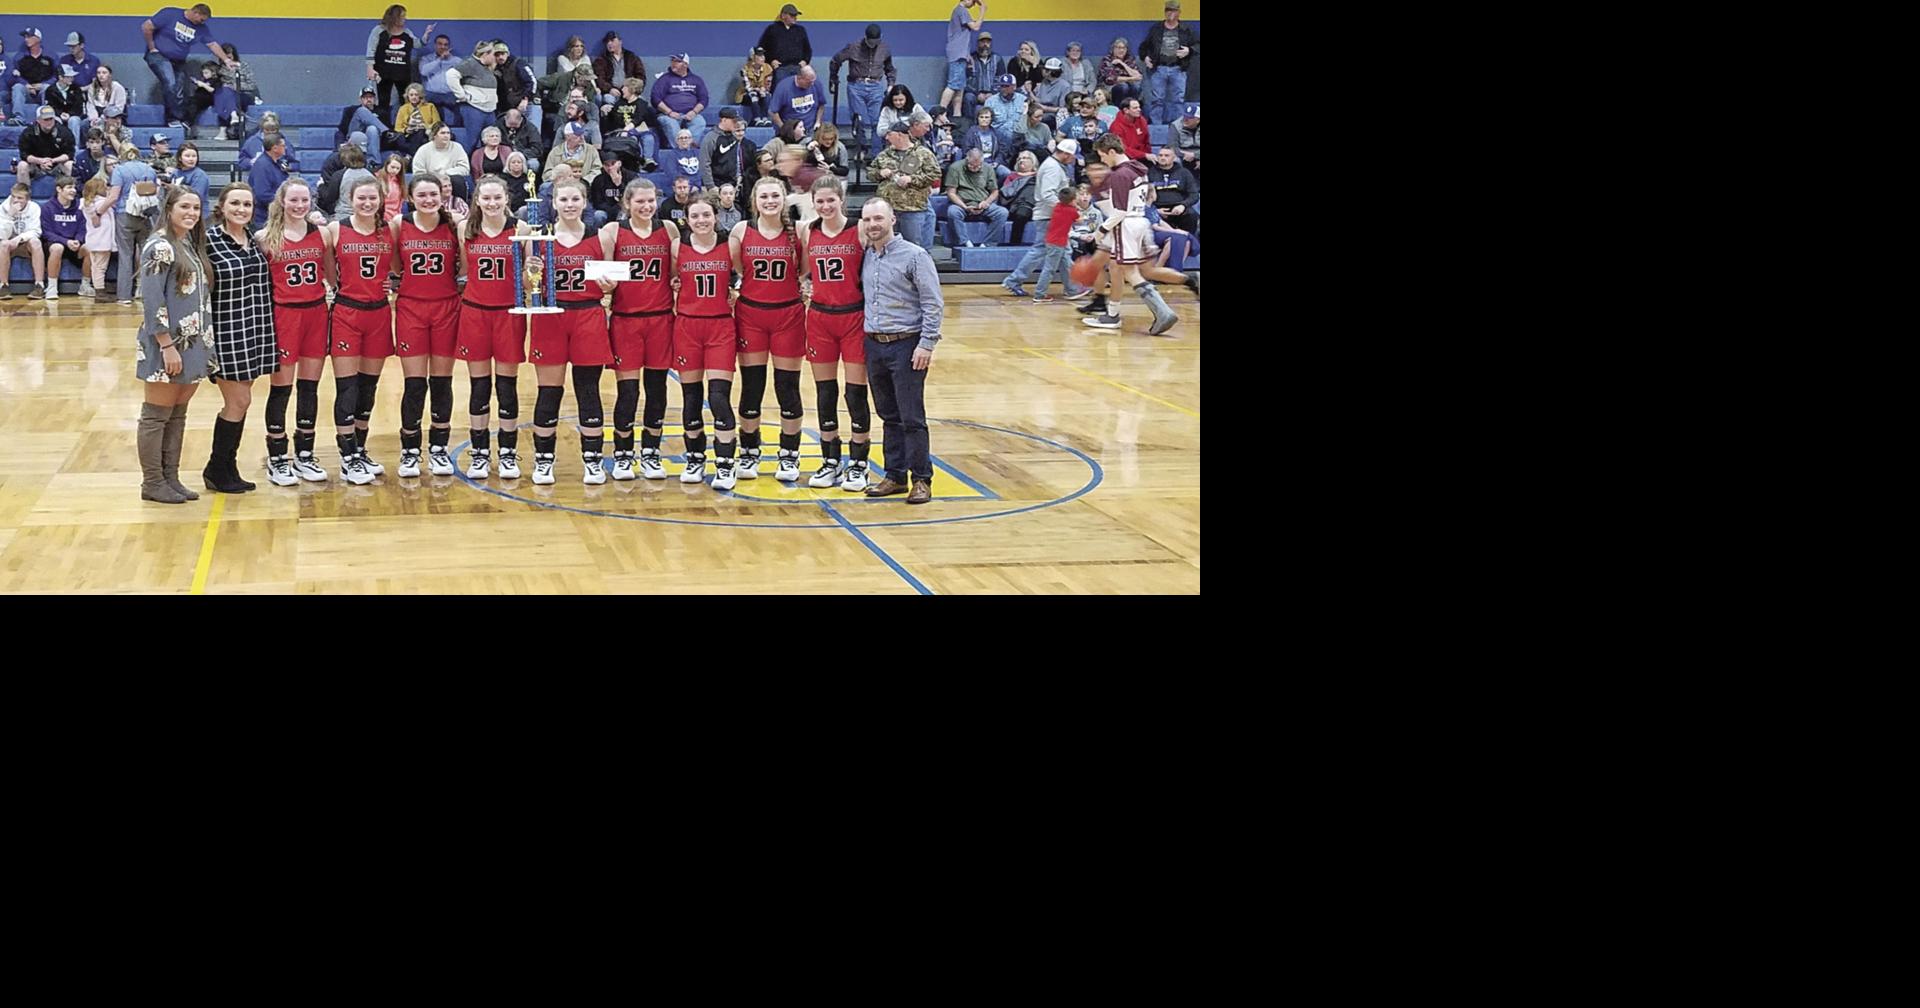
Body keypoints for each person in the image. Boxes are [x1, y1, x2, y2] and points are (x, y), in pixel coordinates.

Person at [525, 177, 614, 485]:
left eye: (575, 199)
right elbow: (528, 285)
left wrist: (609, 285)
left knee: (588, 390)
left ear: (585, 202)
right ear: (554, 203)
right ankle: (543, 461)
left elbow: (611, 281)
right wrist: (531, 272)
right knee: (549, 391)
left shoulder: (600, 237)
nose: (570, 205)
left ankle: (593, 461)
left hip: (588, 315)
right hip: (551, 316)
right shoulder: (539, 238)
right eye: (563, 200)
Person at [856, 198, 941, 504]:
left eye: (878, 218)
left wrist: (926, 343)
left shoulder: (915, 256)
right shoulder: (867, 255)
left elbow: (933, 302)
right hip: (874, 344)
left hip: (906, 344)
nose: (873, 224)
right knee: (888, 415)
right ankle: (895, 475)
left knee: (911, 416)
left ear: (893, 219)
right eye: (867, 219)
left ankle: (922, 478)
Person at [596, 176, 678, 480]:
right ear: (627, 203)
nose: (646, 206)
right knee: (628, 392)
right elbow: (605, 276)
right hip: (626, 320)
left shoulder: (668, 229)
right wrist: (605, 284)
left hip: (660, 320)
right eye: (640, 201)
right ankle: (623, 454)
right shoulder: (612, 231)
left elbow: (674, 274)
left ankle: (651, 453)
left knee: (657, 390)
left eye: (651, 200)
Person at [134, 185, 212, 503]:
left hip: (191, 343)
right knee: (156, 415)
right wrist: (166, 345)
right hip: (167, 344)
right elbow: (152, 299)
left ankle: (171, 478)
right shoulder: (160, 246)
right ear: (169, 209)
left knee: (177, 414)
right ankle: (152, 482)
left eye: (196, 208)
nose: (191, 213)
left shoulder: (187, 243)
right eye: (184, 207)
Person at [253, 176, 333, 485]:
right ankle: (277, 457)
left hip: (316, 313)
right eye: (294, 200)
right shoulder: (264, 237)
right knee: (281, 388)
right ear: (282, 202)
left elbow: (331, 275)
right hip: (283, 315)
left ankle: (305, 454)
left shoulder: (322, 233)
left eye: (304, 200)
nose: (299, 205)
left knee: (310, 387)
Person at [728, 176, 807, 482]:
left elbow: (804, 270)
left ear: (784, 199)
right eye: (764, 197)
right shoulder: (741, 231)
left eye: (775, 195)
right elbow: (739, 270)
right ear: (755, 201)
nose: (770, 201)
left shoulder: (799, 231)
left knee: (787, 386)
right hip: (751, 315)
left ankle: (789, 454)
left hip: (788, 315)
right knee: (752, 386)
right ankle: (749, 451)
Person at [199, 181, 276, 492]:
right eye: (235, 203)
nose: (241, 209)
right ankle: (217, 466)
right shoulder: (208, 241)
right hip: (226, 332)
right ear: (222, 206)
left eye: (247, 204)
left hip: (255, 330)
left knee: (242, 402)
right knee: (239, 400)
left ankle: (226, 467)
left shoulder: (254, 240)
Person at [385, 173, 462, 478]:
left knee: (442, 382)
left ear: (442, 196)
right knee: (415, 383)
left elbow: (464, 263)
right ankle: (410, 450)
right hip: (411, 308)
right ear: (411, 197)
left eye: (434, 195)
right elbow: (394, 265)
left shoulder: (454, 224)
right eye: (422, 195)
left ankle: (439, 449)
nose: (429, 200)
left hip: (446, 308)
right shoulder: (398, 224)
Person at [798, 176, 870, 490]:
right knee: (825, 392)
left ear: (842, 199)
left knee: (855, 392)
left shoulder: (860, 229)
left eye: (831, 200)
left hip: (854, 316)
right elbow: (803, 271)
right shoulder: (808, 231)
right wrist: (804, 286)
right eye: (820, 201)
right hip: (820, 318)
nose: (826, 206)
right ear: (813, 202)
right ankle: (830, 460)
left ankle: (859, 463)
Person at [453, 174, 527, 479]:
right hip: (475, 312)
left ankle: (508, 453)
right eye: (486, 198)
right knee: (479, 385)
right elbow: (463, 269)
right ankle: (480, 453)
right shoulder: (465, 228)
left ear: (507, 198)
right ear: (477, 200)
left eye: (498, 197)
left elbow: (528, 279)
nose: (492, 203)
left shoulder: (521, 229)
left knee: (507, 386)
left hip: (509, 313)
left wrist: (533, 271)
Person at [1080, 133, 1188, 335]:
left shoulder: (1120, 175)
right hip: (1140, 221)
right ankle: (1112, 314)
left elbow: (1119, 211)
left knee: (1131, 272)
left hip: (1126, 224)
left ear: (1112, 152)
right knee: (1118, 268)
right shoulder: (1138, 168)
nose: (1102, 160)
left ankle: (1162, 312)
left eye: (1103, 155)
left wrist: (1100, 231)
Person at [667, 189, 738, 487]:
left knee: (719, 397)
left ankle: (725, 464)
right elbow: (672, 278)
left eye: (706, 214)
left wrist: (736, 290)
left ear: (716, 216)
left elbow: (743, 275)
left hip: (720, 327)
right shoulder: (677, 246)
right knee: (691, 397)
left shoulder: (730, 244)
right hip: (687, 326)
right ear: (686, 219)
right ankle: (695, 458)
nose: (701, 220)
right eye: (695, 215)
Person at [323, 175, 390, 483]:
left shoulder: (389, 230)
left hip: (379, 313)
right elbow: (328, 271)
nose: (367, 203)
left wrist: (391, 283)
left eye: (372, 198)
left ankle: (360, 449)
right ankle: (347, 456)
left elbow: (397, 267)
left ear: (381, 200)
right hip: (347, 312)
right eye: (361, 197)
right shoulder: (335, 229)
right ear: (350, 199)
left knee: (368, 387)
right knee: (347, 387)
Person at [1000, 137, 1078, 297]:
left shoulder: (1054, 165)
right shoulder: (1052, 168)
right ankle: (1014, 281)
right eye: (1072, 156)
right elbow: (1047, 194)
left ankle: (1072, 288)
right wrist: (1065, 211)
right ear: (1065, 154)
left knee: (1063, 252)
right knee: (1042, 250)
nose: (1073, 160)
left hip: (1050, 216)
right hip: (1049, 217)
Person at [142, 5, 234, 129]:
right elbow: (147, 26)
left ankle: (177, 118)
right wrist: (152, 47)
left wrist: (226, 60)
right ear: (196, 13)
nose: (202, 22)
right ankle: (172, 118)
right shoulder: (170, 14)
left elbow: (212, 44)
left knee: (179, 90)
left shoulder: (201, 29)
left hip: (178, 61)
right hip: (159, 56)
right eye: (201, 19)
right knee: (170, 82)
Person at [104, 138, 161, 304]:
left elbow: (114, 196)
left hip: (125, 214)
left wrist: (98, 211)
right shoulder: (149, 169)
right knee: (146, 255)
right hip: (145, 214)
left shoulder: (119, 170)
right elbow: (156, 192)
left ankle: (124, 296)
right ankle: (146, 292)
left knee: (125, 256)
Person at [829, 24, 895, 154]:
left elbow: (890, 68)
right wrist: (833, 77)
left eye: (875, 42)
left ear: (881, 38)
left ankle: (876, 154)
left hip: (876, 85)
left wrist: (891, 84)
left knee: (878, 121)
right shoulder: (853, 47)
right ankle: (862, 149)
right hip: (856, 85)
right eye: (870, 42)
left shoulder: (885, 49)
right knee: (858, 120)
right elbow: (835, 60)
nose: (873, 44)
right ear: (865, 38)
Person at [870, 121, 937, 249]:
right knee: (886, 245)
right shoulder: (884, 154)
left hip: (912, 208)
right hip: (888, 208)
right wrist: (879, 173)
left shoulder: (923, 154)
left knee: (912, 247)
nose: (886, 138)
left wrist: (912, 179)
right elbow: (871, 173)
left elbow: (934, 174)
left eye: (889, 134)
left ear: (900, 135)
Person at [366, 5, 433, 121]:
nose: (405, 19)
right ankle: (384, 127)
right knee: (383, 101)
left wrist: (426, 35)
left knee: (405, 101)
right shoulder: (379, 31)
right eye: (402, 16)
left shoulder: (407, 32)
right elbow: (371, 49)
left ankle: (404, 126)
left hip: (402, 73)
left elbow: (417, 44)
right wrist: (370, 68)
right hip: (383, 72)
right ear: (394, 17)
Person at [1141, 0, 1198, 124]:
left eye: (1173, 10)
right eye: (1168, 10)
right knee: (1157, 99)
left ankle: (1177, 126)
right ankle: (1156, 126)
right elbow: (1144, 46)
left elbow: (1197, 45)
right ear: (1164, 12)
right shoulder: (1156, 28)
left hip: (1178, 68)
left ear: (1179, 12)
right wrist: (1145, 57)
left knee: (1178, 99)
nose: (1170, 13)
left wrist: (1189, 50)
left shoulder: (1186, 29)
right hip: (1159, 68)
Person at [942, 146, 1006, 246]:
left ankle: (988, 243)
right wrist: (964, 206)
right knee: (953, 212)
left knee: (1002, 213)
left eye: (978, 166)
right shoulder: (955, 168)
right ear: (967, 160)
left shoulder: (988, 168)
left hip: (982, 203)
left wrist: (986, 202)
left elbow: (994, 192)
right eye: (971, 165)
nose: (975, 168)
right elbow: (951, 193)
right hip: (962, 204)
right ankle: (964, 242)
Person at [445, 39, 499, 153]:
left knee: (490, 142)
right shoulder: (470, 63)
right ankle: (465, 163)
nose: (496, 57)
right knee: (471, 141)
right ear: (485, 54)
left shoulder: (488, 67)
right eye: (494, 54)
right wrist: (461, 95)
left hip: (489, 110)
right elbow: (451, 74)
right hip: (474, 109)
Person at [33, 175, 79, 300]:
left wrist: (78, 240)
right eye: (69, 187)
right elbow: (46, 232)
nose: (73, 190)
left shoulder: (79, 206)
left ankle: (86, 285)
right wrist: (66, 241)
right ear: (59, 189)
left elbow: (83, 227)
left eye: (74, 187)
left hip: (73, 243)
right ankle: (52, 287)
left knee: (89, 248)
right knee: (57, 248)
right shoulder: (47, 208)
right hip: (54, 243)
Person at [651, 53, 710, 145]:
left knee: (700, 122)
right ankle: (679, 149)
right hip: (668, 115)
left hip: (691, 113)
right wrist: (669, 112)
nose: (673, 63)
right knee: (671, 124)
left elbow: (704, 99)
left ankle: (688, 148)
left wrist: (694, 112)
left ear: (685, 64)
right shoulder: (664, 79)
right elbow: (655, 98)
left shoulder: (696, 80)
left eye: (677, 61)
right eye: (672, 61)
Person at [0, 182, 46, 299]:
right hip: (9, 244)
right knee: (3, 244)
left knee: (36, 242)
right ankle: (3, 286)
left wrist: (20, 238)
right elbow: (2, 235)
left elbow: (36, 231)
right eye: (13, 196)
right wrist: (10, 215)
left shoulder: (34, 207)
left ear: (27, 199)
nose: (15, 200)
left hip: (25, 244)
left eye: (20, 198)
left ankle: (39, 285)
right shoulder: (3, 207)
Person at [942, 0, 985, 118]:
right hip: (957, 53)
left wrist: (967, 54)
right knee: (953, 85)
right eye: (973, 1)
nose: (974, 4)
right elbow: (976, 26)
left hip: (961, 53)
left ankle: (957, 114)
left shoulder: (959, 11)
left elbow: (962, 35)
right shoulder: (961, 10)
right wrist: (982, 10)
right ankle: (940, 114)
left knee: (960, 87)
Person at [208, 43, 260, 139]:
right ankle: (233, 115)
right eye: (225, 54)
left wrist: (236, 86)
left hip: (244, 94)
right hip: (227, 95)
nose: (228, 56)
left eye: (229, 53)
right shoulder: (219, 69)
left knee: (225, 96)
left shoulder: (243, 66)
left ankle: (223, 131)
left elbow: (251, 85)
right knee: (224, 94)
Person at [14, 104, 75, 186]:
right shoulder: (28, 133)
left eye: (51, 119)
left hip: (57, 164)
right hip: (35, 165)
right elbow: (24, 154)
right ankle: (23, 192)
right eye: (45, 119)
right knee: (22, 166)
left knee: (70, 165)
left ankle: (73, 191)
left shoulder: (64, 132)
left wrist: (52, 161)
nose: (49, 122)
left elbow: (69, 154)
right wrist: (40, 161)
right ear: (38, 120)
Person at [417, 32, 464, 137]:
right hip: (432, 94)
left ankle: (455, 135)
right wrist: (440, 59)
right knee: (432, 114)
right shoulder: (426, 59)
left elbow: (464, 75)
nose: (443, 47)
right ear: (435, 45)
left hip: (450, 94)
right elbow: (423, 72)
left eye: (445, 44)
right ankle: (434, 134)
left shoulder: (457, 61)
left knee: (461, 110)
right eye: (440, 44)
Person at [10, 28, 58, 128]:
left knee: (47, 88)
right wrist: (26, 84)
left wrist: (43, 84)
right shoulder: (19, 57)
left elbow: (56, 76)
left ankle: (46, 118)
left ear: (38, 39)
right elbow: (15, 75)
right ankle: (19, 118)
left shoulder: (50, 56)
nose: (26, 39)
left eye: (29, 37)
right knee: (17, 87)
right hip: (27, 89)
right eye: (25, 37)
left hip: (42, 88)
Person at [491, 40, 540, 136]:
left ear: (508, 53)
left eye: (502, 54)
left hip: (528, 104)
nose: (500, 57)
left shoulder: (519, 63)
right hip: (511, 108)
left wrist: (526, 99)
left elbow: (532, 81)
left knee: (533, 133)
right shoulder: (496, 69)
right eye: (497, 55)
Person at [1146, 144, 1198, 233]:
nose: (1163, 158)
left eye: (1166, 156)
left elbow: (1194, 195)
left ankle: (1189, 240)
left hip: (1179, 208)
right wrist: (1154, 210)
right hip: (1158, 208)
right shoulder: (1149, 172)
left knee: (1192, 215)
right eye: (1160, 155)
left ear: (1174, 158)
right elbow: (1143, 196)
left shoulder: (1184, 173)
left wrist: (1183, 205)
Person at [411, 123, 470, 201]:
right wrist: (434, 178)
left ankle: (458, 205)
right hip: (431, 180)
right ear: (434, 135)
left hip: (451, 179)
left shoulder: (457, 147)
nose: (446, 136)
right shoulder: (423, 150)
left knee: (458, 180)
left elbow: (465, 168)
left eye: (448, 133)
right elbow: (418, 173)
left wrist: (446, 173)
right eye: (442, 133)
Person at [757, 4, 812, 87]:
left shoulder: (800, 30)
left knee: (798, 92)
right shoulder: (772, 29)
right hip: (780, 68)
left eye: (795, 15)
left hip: (798, 67)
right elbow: (763, 48)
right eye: (792, 15)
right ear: (783, 16)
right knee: (781, 90)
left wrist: (805, 61)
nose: (795, 18)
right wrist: (771, 60)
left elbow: (807, 49)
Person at [80, 175, 115, 300]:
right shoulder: (101, 203)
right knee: (100, 267)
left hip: (93, 239)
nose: (107, 189)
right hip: (102, 239)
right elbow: (111, 200)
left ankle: (99, 289)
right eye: (105, 187)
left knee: (96, 266)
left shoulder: (88, 203)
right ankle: (100, 292)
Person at [768, 63, 828, 134]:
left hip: (810, 129)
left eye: (813, 81)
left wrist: (818, 122)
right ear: (799, 78)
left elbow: (821, 105)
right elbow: (773, 112)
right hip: (791, 130)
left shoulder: (816, 83)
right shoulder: (783, 87)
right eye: (809, 82)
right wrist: (784, 129)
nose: (812, 84)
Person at [246, 132, 288, 229]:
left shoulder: (276, 163)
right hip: (263, 219)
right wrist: (285, 201)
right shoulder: (262, 166)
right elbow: (262, 194)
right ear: (275, 148)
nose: (285, 148)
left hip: (273, 216)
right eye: (283, 145)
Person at [961, 30, 1004, 121]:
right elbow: (965, 80)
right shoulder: (970, 59)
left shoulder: (998, 59)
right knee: (968, 97)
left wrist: (992, 93)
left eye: (988, 42)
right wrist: (977, 94)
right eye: (983, 42)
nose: (985, 45)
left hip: (992, 93)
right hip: (975, 93)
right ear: (978, 43)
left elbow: (1001, 79)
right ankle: (969, 124)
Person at [999, 149, 1039, 245]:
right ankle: (1014, 245)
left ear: (1032, 161)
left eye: (1025, 158)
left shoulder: (1039, 175)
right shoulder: (1012, 176)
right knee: (1022, 213)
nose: (1021, 160)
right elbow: (1006, 193)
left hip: (1036, 204)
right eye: (1019, 159)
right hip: (1015, 205)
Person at [592, 30, 647, 100]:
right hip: (611, 93)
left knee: (641, 100)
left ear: (620, 42)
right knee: (608, 99)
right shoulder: (601, 59)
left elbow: (641, 76)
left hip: (630, 91)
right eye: (607, 42)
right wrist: (609, 89)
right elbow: (599, 78)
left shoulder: (631, 57)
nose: (609, 43)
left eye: (612, 41)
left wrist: (632, 89)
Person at [390, 83, 441, 157]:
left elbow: (437, 123)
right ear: (407, 96)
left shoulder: (430, 106)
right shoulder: (403, 108)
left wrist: (426, 126)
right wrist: (406, 130)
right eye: (411, 95)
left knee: (420, 132)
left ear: (420, 96)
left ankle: (411, 156)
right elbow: (397, 128)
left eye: (416, 95)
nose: (414, 97)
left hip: (426, 133)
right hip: (409, 135)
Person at [1098, 38, 1143, 108]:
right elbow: (1111, 79)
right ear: (1113, 49)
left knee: (1135, 87)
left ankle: (1132, 109)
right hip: (1109, 87)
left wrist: (1122, 64)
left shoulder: (1129, 59)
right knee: (1123, 87)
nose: (1121, 50)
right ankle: (1119, 110)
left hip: (1129, 85)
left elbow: (1139, 76)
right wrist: (1132, 78)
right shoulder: (1107, 60)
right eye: (1119, 48)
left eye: (1124, 48)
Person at [85, 64, 128, 130]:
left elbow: (119, 108)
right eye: (98, 73)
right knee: (84, 125)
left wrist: (102, 119)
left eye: (104, 73)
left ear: (109, 75)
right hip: (96, 115)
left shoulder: (117, 87)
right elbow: (91, 105)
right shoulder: (92, 87)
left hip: (113, 116)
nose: (101, 75)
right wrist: (93, 118)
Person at [738, 47, 774, 126]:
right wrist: (757, 89)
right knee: (753, 95)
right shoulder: (745, 69)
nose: (763, 58)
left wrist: (763, 89)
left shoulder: (768, 68)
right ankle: (757, 119)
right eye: (759, 56)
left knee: (767, 95)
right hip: (746, 94)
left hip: (761, 92)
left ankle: (765, 118)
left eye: (763, 55)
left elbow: (768, 83)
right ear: (753, 57)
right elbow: (747, 87)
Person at [1173, 102, 1200, 171]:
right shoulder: (1175, 125)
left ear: (1198, 120)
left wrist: (1196, 156)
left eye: (1190, 118)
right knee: (1174, 159)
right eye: (1185, 116)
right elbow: (1172, 147)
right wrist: (1184, 154)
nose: (1185, 119)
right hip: (1183, 156)